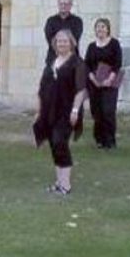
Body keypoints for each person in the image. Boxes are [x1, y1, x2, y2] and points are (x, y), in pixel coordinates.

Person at [36, 30, 89, 194]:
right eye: (59, 41)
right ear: (54, 44)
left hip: (67, 111)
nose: (61, 44)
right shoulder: (52, 62)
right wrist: (38, 112)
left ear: (71, 43)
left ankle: (66, 185)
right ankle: (59, 183)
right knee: (53, 145)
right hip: (49, 110)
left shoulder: (77, 62)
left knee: (60, 142)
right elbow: (42, 88)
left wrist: (75, 109)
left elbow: (81, 90)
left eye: (65, 41)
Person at [83, 17, 123, 149]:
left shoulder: (114, 44)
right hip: (94, 83)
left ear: (108, 29)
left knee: (108, 110)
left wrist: (109, 79)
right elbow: (87, 65)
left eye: (103, 27)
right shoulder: (91, 46)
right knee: (97, 112)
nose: (100, 29)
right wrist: (93, 79)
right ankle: (99, 139)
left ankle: (110, 141)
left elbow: (117, 63)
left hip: (110, 82)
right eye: (98, 27)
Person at [44, 0, 83, 66]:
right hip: (53, 59)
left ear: (70, 5)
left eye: (66, 4)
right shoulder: (51, 21)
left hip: (72, 61)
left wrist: (58, 36)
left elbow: (74, 40)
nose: (63, 6)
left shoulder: (77, 21)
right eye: (61, 4)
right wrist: (66, 36)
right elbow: (50, 40)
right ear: (58, 5)